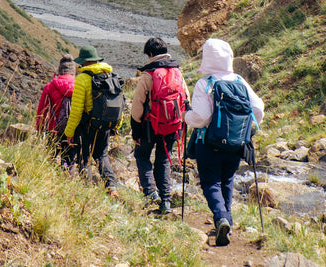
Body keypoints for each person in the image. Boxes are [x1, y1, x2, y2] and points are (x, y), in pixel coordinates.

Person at [183, 38, 264, 246]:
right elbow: (258, 109)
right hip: (237, 143)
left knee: (210, 182)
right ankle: (226, 220)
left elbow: (200, 117)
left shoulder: (206, 83)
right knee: (227, 180)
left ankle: (221, 219)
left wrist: (186, 116)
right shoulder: (239, 81)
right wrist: (245, 129)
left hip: (209, 143)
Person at [130, 37, 189, 214]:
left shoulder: (148, 75)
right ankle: (166, 201)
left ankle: (150, 193)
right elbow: (186, 98)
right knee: (164, 160)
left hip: (150, 126)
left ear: (150, 54)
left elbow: (137, 106)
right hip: (172, 125)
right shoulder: (177, 72)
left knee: (142, 156)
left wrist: (135, 130)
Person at [64, 45, 119, 197]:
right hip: (106, 124)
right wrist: (116, 126)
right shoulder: (110, 75)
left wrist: (69, 132)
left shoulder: (82, 79)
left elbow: (75, 110)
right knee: (102, 155)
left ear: (84, 62)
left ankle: (86, 191)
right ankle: (111, 187)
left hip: (88, 126)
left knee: (84, 157)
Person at [35, 54, 79, 169]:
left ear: (60, 70)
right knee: (69, 161)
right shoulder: (79, 87)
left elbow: (42, 111)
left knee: (50, 159)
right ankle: (68, 180)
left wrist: (39, 129)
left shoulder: (50, 87)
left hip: (54, 129)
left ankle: (50, 180)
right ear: (73, 71)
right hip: (73, 130)